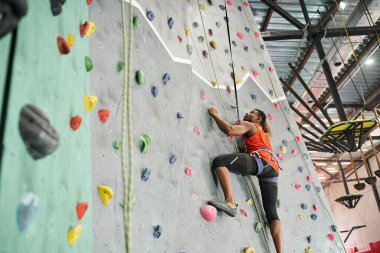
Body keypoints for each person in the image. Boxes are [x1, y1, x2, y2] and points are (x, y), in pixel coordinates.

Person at [207, 106, 283, 253]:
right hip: (272, 170)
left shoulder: (251, 125)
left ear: (258, 119)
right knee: (272, 214)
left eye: (252, 113)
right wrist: (262, 120)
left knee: (219, 162)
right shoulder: (265, 134)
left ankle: (230, 203)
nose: (248, 113)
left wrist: (214, 114)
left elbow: (229, 130)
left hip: (260, 161)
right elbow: (268, 128)